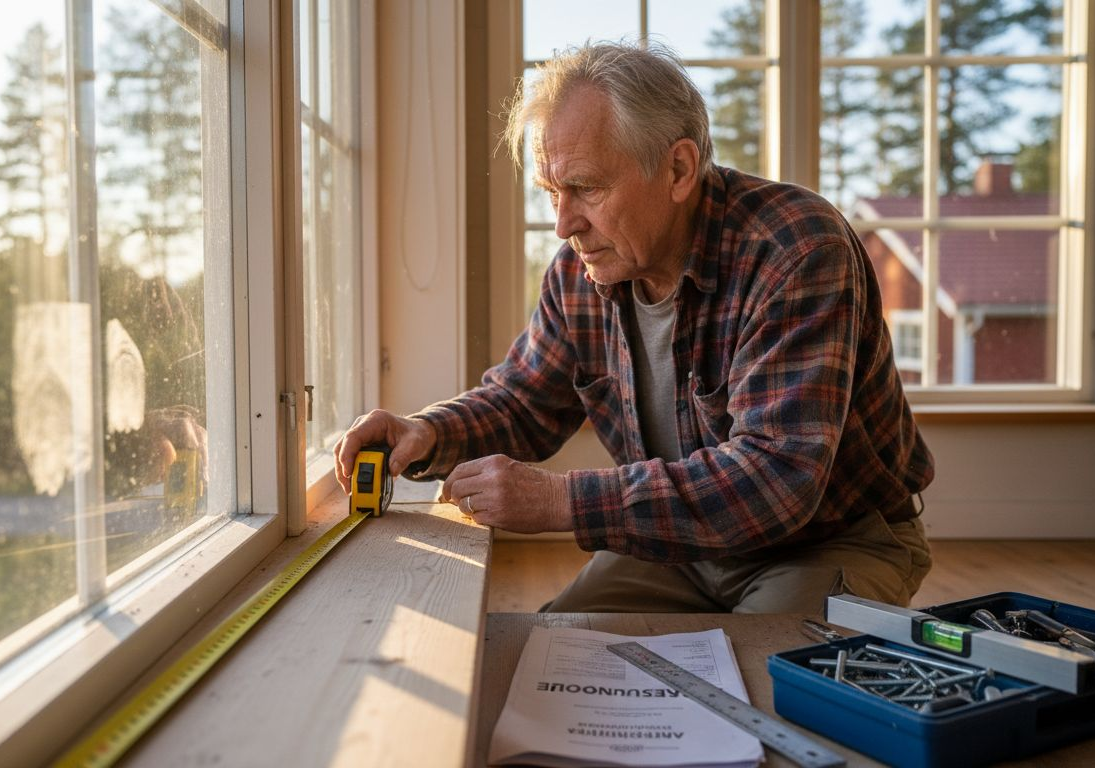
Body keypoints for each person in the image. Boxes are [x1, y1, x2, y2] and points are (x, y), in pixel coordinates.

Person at [334, 41, 934, 614]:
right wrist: (429, 433)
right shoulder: (581, 270)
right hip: (682, 548)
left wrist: (560, 501)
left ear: (678, 168)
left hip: (827, 538)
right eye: (551, 192)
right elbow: (523, 402)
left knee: (763, 689)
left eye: (586, 188)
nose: (564, 224)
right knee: (551, 653)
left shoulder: (796, 247)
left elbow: (778, 477)